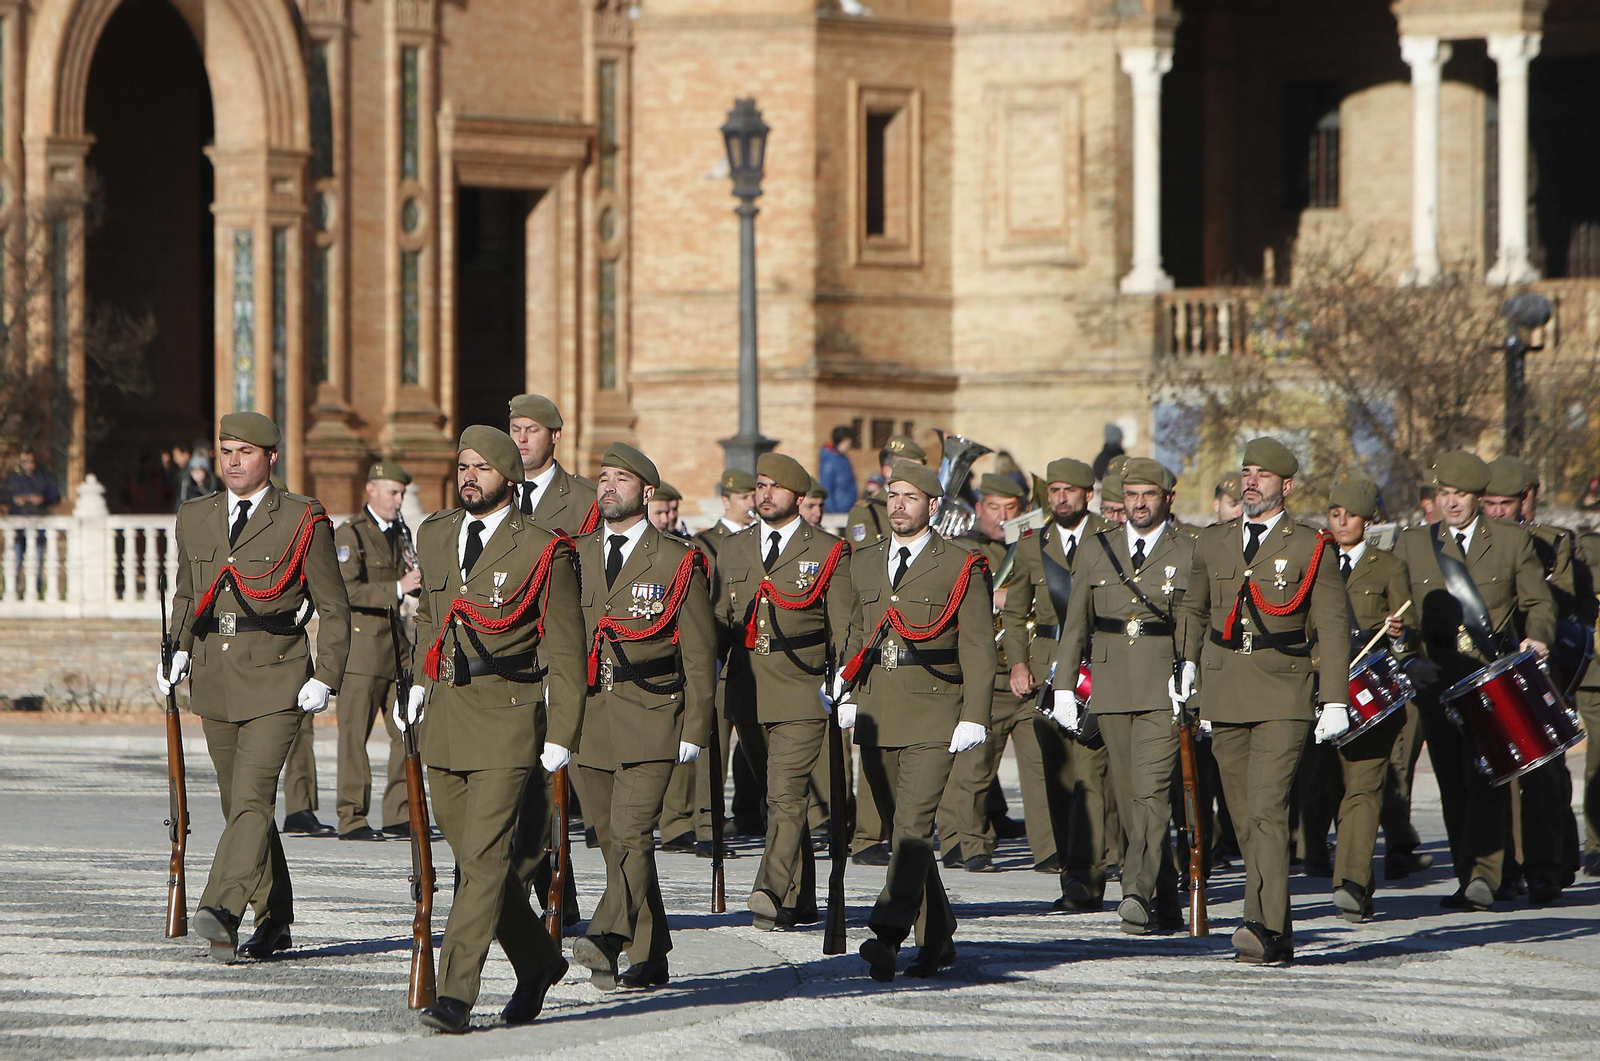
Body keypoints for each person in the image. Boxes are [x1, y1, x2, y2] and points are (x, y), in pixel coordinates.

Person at [395, 426, 586, 1033]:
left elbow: (565, 645)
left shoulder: (540, 548)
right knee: (476, 856)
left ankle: (455, 995)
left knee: (480, 861)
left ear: (508, 475)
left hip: (508, 712)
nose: (468, 475)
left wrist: (563, 732)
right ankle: (537, 961)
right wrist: (419, 685)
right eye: (463, 465)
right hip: (446, 712)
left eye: (481, 467)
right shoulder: (436, 533)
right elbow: (430, 617)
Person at [157, 412, 350, 962]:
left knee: (251, 798)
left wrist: (326, 677)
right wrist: (176, 652)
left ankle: (221, 907)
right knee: (240, 807)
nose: (233, 461)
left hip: (277, 676)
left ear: (270, 457)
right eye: (226, 451)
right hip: (215, 679)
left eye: (245, 451)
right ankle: (277, 919)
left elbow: (334, 609)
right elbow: (188, 596)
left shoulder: (299, 518)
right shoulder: (196, 516)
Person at [1175, 436, 1349, 965]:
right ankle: (1277, 922)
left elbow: (1333, 627)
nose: (1251, 481)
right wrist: (1185, 664)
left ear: (1286, 486)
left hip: (1283, 687)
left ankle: (1263, 925)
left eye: (1263, 475)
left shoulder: (1310, 545)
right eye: (1247, 472)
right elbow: (1193, 609)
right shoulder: (1213, 541)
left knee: (1269, 808)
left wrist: (1336, 697)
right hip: (1226, 688)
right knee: (1245, 814)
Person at [836, 460, 993, 982]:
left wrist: (975, 714)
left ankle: (886, 933)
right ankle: (939, 936)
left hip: (934, 708)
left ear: (933, 505)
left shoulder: (959, 564)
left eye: (909, 496)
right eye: (892, 495)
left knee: (911, 828)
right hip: (879, 708)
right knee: (903, 832)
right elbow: (858, 630)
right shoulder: (866, 560)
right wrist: (847, 689)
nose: (898, 504)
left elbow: (976, 646)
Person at [572, 443, 716, 991]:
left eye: (620, 479)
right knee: (615, 842)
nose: (607, 486)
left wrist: (696, 728)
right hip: (590, 718)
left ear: (647, 493)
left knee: (633, 832)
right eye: (603, 478)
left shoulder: (678, 560)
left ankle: (606, 936)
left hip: (653, 714)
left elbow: (700, 654)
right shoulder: (575, 554)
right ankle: (652, 951)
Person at [1389, 451, 1554, 911]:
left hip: (1491, 675)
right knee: (1452, 780)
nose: (1452, 503)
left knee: (1487, 775)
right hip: (1439, 677)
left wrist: (1537, 639)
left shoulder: (1508, 541)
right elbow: (1399, 616)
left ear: (1478, 497)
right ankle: (1470, 877)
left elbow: (1538, 602)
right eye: (1444, 494)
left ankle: (1489, 874)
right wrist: (1407, 661)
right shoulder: (1413, 544)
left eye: (1460, 495)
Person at [1052, 458, 1195, 934]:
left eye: (1148, 494)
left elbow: (1194, 621)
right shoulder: (1097, 550)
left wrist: (1193, 675)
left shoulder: (1189, 548)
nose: (1138, 503)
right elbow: (1076, 625)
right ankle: (1167, 901)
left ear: (1167, 500)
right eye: (1131, 494)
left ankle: (1135, 891)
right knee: (1133, 798)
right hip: (1111, 686)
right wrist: (1064, 687)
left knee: (1152, 794)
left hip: (1161, 685)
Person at [716, 452, 857, 930]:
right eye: (760, 485)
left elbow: (844, 628)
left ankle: (770, 887)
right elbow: (718, 621)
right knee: (772, 797)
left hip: (801, 687)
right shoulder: (733, 550)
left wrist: (844, 684)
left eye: (775, 487)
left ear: (798, 497)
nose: (764, 494)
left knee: (785, 794)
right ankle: (803, 898)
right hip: (747, 689)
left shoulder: (827, 550)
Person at [1298, 472, 1413, 922]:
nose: (1341, 522)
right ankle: (1318, 858)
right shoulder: (1312, 562)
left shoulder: (1388, 568)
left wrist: (1401, 638)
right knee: (1327, 786)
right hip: (1318, 693)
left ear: (1369, 520)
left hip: (1370, 697)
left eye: (1350, 515)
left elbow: (1407, 638)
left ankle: (1351, 883)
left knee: (1363, 791)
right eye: (1334, 513)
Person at [1001, 457, 1115, 897]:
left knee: (1092, 771)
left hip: (1095, 662)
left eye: (1069, 490)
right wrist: (1017, 662)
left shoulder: (1109, 536)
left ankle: (1089, 872)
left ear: (1089, 494)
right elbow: (1014, 613)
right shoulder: (1033, 542)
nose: (1060, 497)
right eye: (1054, 490)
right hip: (1047, 665)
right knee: (1057, 772)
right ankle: (1071, 866)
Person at [505, 393, 596, 913]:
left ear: (555, 436)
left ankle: (553, 890)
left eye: (530, 430)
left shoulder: (582, 501)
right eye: (514, 428)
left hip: (558, 651)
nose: (520, 439)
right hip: (506, 653)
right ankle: (538, 890)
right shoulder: (496, 492)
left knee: (552, 776)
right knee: (514, 776)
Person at [1481, 455, 1581, 902]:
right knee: (1495, 770)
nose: (1498, 511)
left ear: (1526, 500)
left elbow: (1556, 603)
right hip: (1490, 664)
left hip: (1538, 665)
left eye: (1506, 503)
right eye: (1490, 503)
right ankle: (1501, 870)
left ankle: (1546, 866)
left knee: (1543, 770)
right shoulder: (1472, 543)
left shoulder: (1551, 542)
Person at [941, 473, 1042, 873]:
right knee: (972, 765)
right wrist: (996, 595)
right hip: (978, 668)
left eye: (1011, 510)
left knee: (1040, 770)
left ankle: (1049, 850)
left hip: (1023, 668)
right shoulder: (961, 548)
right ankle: (963, 842)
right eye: (994, 508)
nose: (1001, 517)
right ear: (980, 509)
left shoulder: (1031, 547)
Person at [843, 435, 926, 867]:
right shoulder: (867, 513)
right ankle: (867, 833)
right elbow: (866, 576)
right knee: (874, 749)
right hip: (880, 634)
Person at [332, 462, 421, 842]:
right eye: (393, 493)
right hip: (363, 648)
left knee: (407, 730)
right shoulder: (350, 533)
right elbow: (346, 589)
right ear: (371, 489)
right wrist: (398, 588)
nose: (399, 501)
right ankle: (352, 816)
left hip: (397, 645)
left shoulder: (400, 531)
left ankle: (399, 812)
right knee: (355, 737)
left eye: (401, 494)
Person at [845, 435, 925, 549]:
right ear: (887, 472)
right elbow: (865, 559)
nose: (920, 477)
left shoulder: (926, 506)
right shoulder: (867, 512)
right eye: (911, 471)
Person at [818, 426, 858, 514]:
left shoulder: (843, 458)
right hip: (837, 512)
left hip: (848, 509)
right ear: (845, 440)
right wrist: (832, 513)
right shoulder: (829, 461)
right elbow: (826, 489)